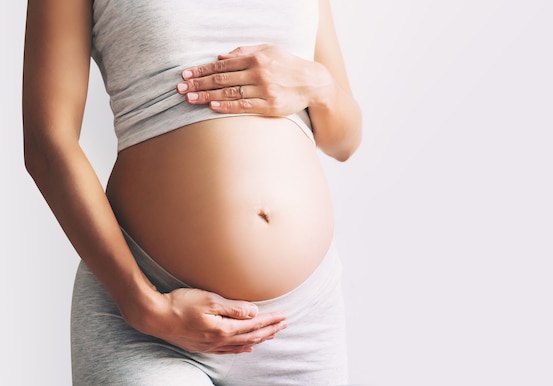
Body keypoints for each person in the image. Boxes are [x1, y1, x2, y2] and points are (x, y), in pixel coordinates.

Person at [22, 0, 361, 384]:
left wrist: (320, 86)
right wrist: (143, 305)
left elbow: (344, 141)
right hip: (150, 314)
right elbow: (47, 144)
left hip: (300, 325)